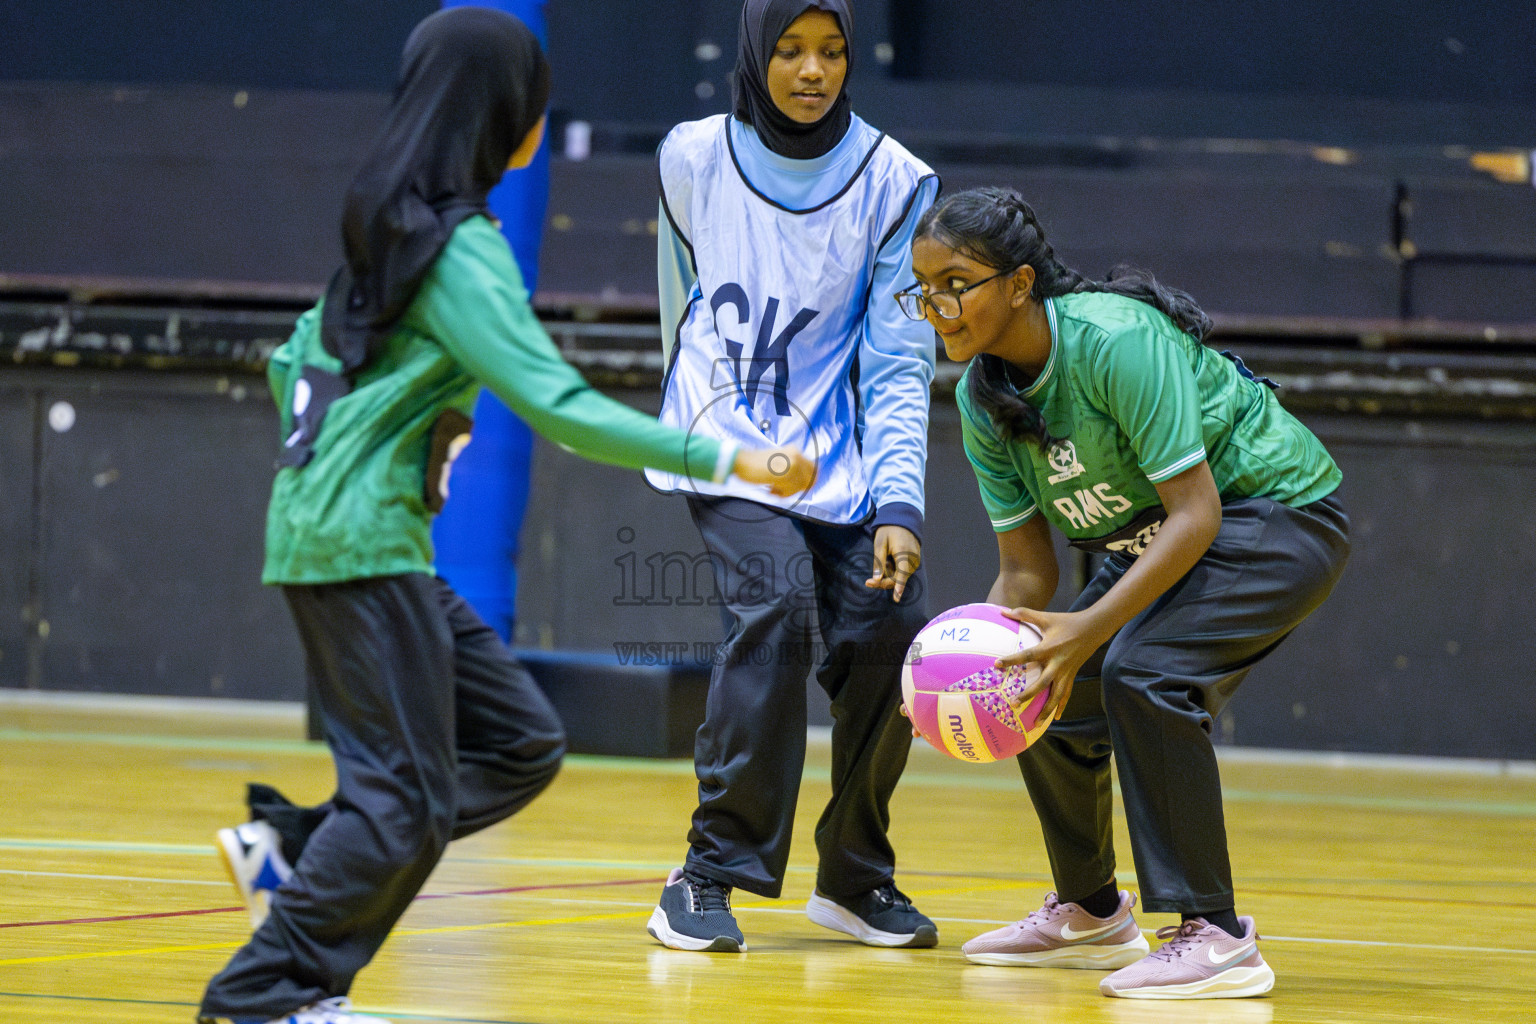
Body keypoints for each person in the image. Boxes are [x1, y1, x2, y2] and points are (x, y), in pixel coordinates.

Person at [198, 10, 812, 1024]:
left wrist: (403, 432)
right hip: (359, 549)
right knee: (400, 798)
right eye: (536, 98)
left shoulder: (381, 234)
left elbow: (286, 365)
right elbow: (557, 405)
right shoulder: (460, 248)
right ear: (505, 118)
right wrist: (728, 452)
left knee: (519, 740)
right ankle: (266, 995)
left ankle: (296, 849)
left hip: (347, 537)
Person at [901, 186, 1349, 999]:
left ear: (1020, 283)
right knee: (1030, 682)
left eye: (956, 282)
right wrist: (958, 675)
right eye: (924, 288)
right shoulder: (980, 398)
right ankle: (1092, 909)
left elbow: (1196, 513)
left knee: (1143, 672)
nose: (938, 306)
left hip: (1277, 516)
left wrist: (1085, 631)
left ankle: (1215, 937)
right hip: (1153, 538)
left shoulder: (1115, 340)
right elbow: (1028, 574)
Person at [642, 0, 941, 954]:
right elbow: (676, 306)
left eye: (833, 51)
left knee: (895, 624)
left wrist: (898, 503)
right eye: (790, 49)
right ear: (753, 53)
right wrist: (695, 432)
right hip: (722, 442)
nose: (812, 70)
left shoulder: (895, 181)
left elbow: (900, 360)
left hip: (841, 459)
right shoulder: (690, 158)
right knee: (772, 606)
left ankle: (854, 877)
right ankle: (706, 872)